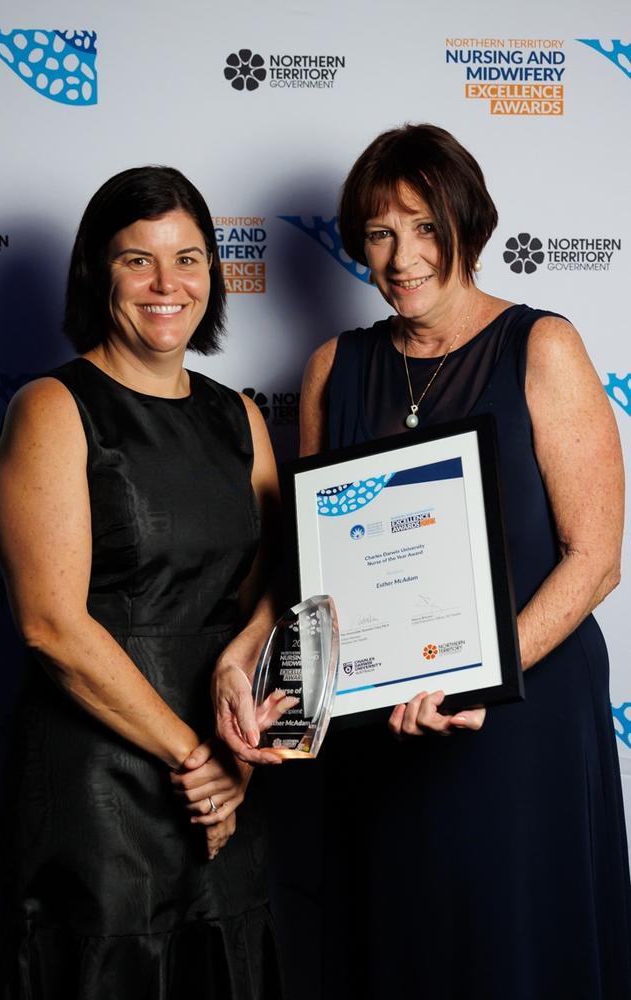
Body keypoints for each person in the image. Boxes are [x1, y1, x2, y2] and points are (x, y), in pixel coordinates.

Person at [216, 125, 631, 999]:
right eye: (377, 232)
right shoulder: (335, 365)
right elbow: (313, 570)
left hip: (522, 716)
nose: (401, 257)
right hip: (386, 728)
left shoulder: (543, 346)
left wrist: (478, 676)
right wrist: (274, 689)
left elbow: (595, 560)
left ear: (467, 227)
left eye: (425, 228)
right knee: (399, 949)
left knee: (520, 950)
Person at [0, 166, 286, 1000]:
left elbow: (271, 588)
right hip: (102, 790)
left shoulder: (240, 416)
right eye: (137, 261)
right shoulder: (52, 407)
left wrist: (243, 751)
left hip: (225, 774)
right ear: (97, 273)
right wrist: (198, 764)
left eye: (189, 259)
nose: (168, 285)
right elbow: (50, 624)